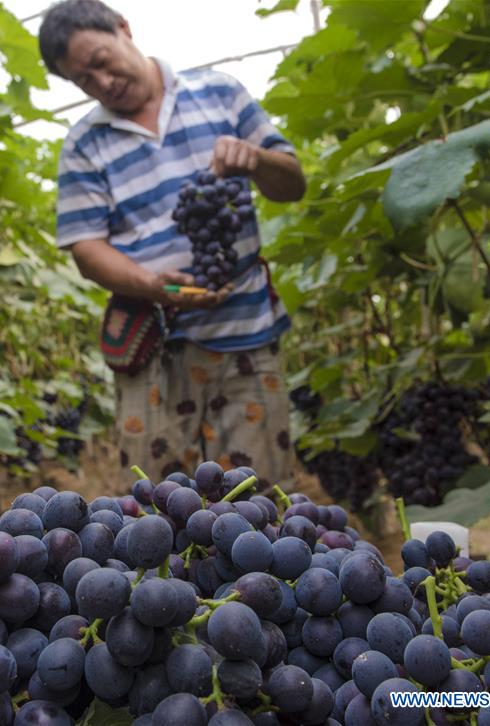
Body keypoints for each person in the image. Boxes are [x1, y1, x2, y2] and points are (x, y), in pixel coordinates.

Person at [38, 0, 306, 488]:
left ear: (123, 28)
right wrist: (147, 283)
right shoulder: (83, 144)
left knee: (259, 500)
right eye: (83, 81)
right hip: (155, 342)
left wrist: (258, 161)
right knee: (155, 508)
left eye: (100, 61)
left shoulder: (220, 93)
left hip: (246, 330)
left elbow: (292, 183)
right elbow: (86, 249)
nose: (100, 83)